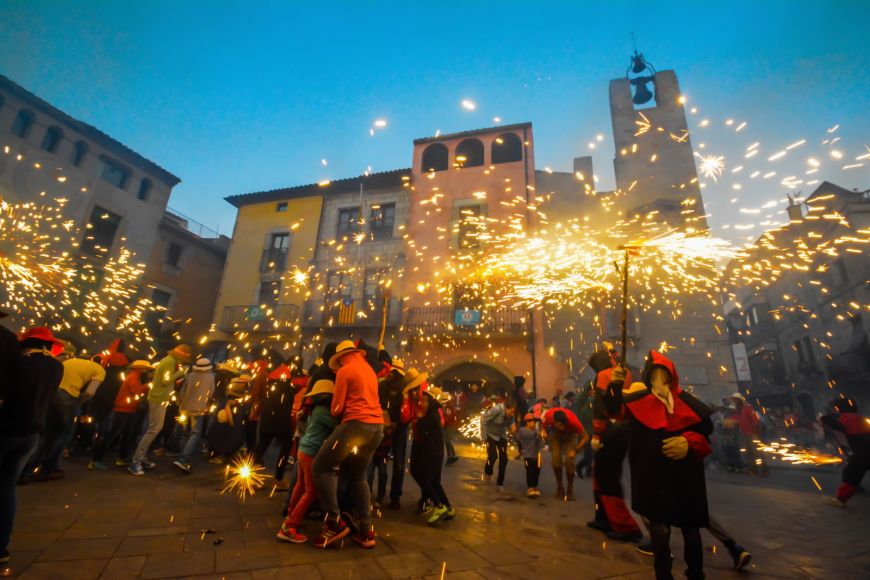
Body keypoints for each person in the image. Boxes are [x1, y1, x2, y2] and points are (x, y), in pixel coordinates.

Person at [606, 351, 713, 580]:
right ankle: (663, 576)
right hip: (653, 477)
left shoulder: (688, 403)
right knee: (659, 532)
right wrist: (614, 385)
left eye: (663, 375)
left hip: (685, 477)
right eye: (654, 375)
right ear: (647, 378)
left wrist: (688, 441)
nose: (659, 380)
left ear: (672, 377)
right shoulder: (638, 402)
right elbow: (614, 410)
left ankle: (695, 574)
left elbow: (705, 435)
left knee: (691, 530)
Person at [0, 325, 63, 565]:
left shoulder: (19, 362)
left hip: (6, 429)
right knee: (7, 490)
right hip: (31, 435)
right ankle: (2, 548)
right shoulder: (57, 367)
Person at [312, 340, 384, 549]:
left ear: (341, 357)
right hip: (376, 427)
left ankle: (334, 522)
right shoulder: (369, 369)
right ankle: (366, 530)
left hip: (355, 425)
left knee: (320, 467)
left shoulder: (345, 371)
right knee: (358, 475)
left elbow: (336, 408)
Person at [586, 346, 642, 540]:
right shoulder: (625, 372)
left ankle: (625, 526)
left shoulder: (603, 375)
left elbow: (601, 406)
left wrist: (596, 433)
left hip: (611, 430)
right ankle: (602, 517)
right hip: (624, 429)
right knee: (600, 474)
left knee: (606, 477)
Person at [277, 376, 338, 544]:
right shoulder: (323, 412)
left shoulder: (313, 408)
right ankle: (289, 526)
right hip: (310, 453)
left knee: (301, 486)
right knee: (311, 491)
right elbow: (338, 425)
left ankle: (292, 514)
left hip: (303, 450)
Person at [32, 344, 105, 480]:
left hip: (53, 394)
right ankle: (50, 468)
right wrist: (79, 402)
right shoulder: (100, 370)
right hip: (68, 397)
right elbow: (90, 392)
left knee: (48, 433)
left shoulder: (70, 361)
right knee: (63, 435)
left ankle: (30, 468)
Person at [129, 344, 192, 475]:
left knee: (154, 429)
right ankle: (136, 461)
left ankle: (141, 458)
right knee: (153, 430)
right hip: (158, 399)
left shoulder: (169, 360)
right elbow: (165, 381)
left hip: (160, 399)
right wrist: (180, 373)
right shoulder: (170, 361)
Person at [402, 379, 454, 524]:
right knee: (435, 482)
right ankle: (448, 507)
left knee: (426, 479)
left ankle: (439, 505)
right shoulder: (431, 413)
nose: (422, 401)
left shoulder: (431, 415)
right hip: (433, 451)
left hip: (431, 452)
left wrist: (418, 419)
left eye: (425, 399)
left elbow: (420, 426)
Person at [91, 360, 154, 468]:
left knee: (126, 435)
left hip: (128, 409)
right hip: (123, 409)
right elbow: (136, 391)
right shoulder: (133, 377)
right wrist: (149, 386)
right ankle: (95, 460)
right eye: (145, 369)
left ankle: (122, 458)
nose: (146, 372)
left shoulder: (135, 376)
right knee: (112, 435)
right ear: (139, 369)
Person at [254, 363, 300, 489]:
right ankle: (278, 479)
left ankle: (248, 475)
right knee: (285, 449)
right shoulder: (288, 389)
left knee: (261, 447)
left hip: (266, 423)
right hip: (282, 424)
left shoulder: (269, 388)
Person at [821, 398, 870, 508]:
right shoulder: (860, 416)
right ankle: (855, 489)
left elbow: (840, 427)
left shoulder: (846, 417)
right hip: (863, 446)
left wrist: (828, 420)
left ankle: (841, 500)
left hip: (864, 448)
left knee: (852, 472)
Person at [87, 345, 129, 471]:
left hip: (97, 404)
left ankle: (91, 452)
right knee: (105, 432)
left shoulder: (104, 371)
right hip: (109, 407)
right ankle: (95, 460)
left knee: (98, 429)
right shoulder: (119, 377)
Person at [173, 357, 216, 473]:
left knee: (184, 433)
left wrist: (181, 403)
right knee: (195, 433)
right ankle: (183, 459)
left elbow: (182, 391)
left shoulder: (190, 375)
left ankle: (180, 456)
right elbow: (211, 394)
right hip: (198, 410)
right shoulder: (210, 377)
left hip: (185, 407)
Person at [540, 407, 589, 501]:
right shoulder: (549, 416)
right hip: (555, 435)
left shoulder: (574, 421)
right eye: (559, 425)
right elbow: (543, 425)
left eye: (563, 425)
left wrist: (575, 450)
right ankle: (560, 487)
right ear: (554, 421)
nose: (562, 428)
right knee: (556, 458)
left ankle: (570, 489)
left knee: (569, 461)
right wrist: (543, 431)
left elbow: (585, 438)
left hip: (571, 435)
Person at [482, 397, 515, 491]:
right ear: (506, 408)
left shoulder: (511, 415)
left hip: (501, 435)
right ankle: (488, 471)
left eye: (514, 412)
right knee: (493, 456)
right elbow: (483, 418)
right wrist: (484, 436)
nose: (512, 414)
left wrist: (512, 429)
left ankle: (500, 483)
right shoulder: (497, 409)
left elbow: (511, 424)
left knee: (504, 459)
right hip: (490, 434)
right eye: (511, 412)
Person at [730, 393, 768, 476]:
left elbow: (755, 420)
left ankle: (764, 469)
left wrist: (756, 432)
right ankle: (753, 469)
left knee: (757, 452)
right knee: (748, 453)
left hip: (752, 433)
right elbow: (735, 419)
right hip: (743, 433)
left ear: (740, 400)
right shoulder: (738, 409)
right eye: (734, 399)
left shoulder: (747, 407)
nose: (735, 401)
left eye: (736, 399)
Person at [516, 413, 543, 497]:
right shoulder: (522, 430)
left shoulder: (536, 431)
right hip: (527, 455)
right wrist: (520, 452)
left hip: (536, 455)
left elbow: (540, 443)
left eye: (535, 422)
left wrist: (542, 437)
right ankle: (530, 487)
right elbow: (518, 439)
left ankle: (535, 486)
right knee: (530, 471)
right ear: (527, 422)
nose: (534, 423)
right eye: (532, 421)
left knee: (537, 472)